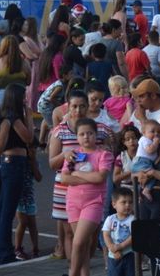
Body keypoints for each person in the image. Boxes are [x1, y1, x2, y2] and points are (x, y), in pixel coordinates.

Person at [62, 117, 114, 276]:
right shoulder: (72, 155)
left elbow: (100, 178)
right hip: (73, 202)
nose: (86, 137)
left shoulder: (104, 154)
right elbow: (64, 179)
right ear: (77, 137)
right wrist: (88, 177)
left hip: (93, 202)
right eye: (82, 134)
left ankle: (72, 273)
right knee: (82, 244)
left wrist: (77, 174)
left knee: (78, 242)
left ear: (96, 135)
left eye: (90, 133)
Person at [0, 84, 33, 264]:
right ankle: (5, 252)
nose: (25, 100)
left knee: (2, 209)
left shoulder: (6, 116)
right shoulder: (14, 118)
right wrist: (29, 116)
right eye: (23, 97)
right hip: (13, 164)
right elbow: (28, 138)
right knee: (7, 211)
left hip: (8, 163)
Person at [102, 187, 135, 276]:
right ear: (114, 204)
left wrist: (120, 246)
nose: (127, 205)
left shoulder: (133, 219)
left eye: (130, 202)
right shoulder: (110, 219)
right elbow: (106, 234)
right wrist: (113, 248)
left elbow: (134, 236)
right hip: (113, 255)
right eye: (123, 202)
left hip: (129, 254)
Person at [131, 121, 160, 200]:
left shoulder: (150, 140)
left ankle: (140, 192)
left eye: (158, 132)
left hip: (145, 162)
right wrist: (155, 143)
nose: (156, 134)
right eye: (152, 131)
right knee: (153, 175)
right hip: (142, 161)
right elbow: (150, 150)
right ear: (144, 133)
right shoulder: (144, 139)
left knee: (146, 178)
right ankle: (146, 190)